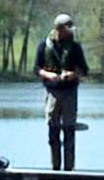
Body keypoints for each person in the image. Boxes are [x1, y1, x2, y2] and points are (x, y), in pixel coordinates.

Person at [34, 13, 90, 170]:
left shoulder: (76, 48)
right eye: (67, 29)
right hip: (52, 93)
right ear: (58, 29)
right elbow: (36, 69)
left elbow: (84, 70)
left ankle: (69, 169)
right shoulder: (43, 46)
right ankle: (55, 168)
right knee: (53, 130)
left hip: (70, 93)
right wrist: (48, 75)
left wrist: (72, 74)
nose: (70, 32)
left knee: (69, 130)